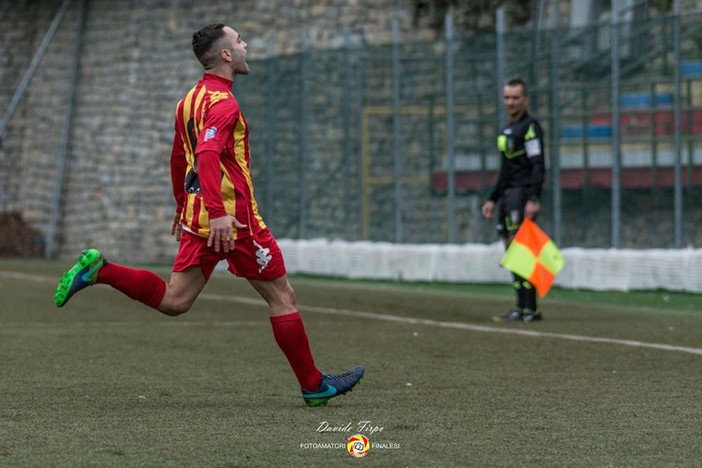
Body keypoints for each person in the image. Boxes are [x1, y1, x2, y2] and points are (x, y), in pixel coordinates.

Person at [53, 23, 363, 407]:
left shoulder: (189, 101)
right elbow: (205, 156)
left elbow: (177, 156)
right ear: (226, 56)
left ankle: (102, 270)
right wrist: (218, 213)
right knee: (283, 297)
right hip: (233, 220)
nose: (245, 44)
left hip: (199, 217)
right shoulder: (224, 104)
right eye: (239, 41)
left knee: (175, 301)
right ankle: (314, 386)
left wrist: (183, 204)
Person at [481, 77, 546, 323]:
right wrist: (492, 199)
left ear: (525, 100)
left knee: (523, 253)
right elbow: (505, 170)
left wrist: (533, 198)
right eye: (507, 97)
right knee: (511, 252)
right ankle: (520, 307)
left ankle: (531, 308)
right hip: (507, 196)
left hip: (521, 194)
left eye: (516, 97)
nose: (511, 102)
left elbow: (538, 165)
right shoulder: (506, 130)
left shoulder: (530, 128)